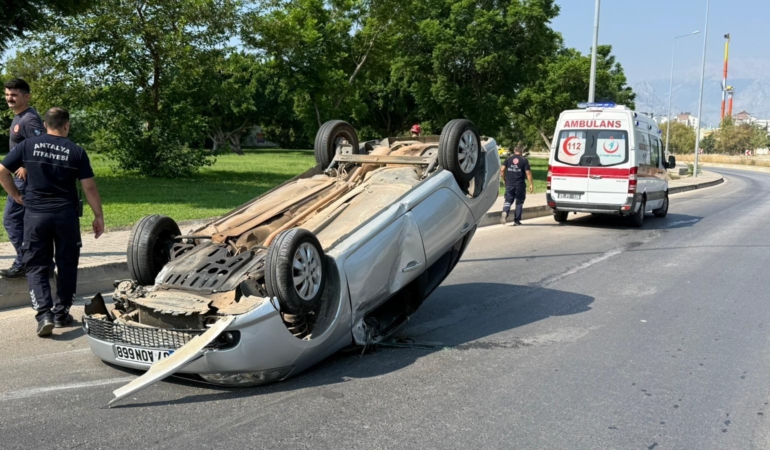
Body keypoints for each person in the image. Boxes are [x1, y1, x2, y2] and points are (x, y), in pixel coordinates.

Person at [0, 107, 104, 337]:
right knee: (67, 265)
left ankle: (43, 314)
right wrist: (99, 216)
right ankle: (61, 313)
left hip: (35, 216)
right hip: (66, 217)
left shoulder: (28, 146)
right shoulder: (76, 151)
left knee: (36, 265)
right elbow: (89, 187)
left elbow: (2, 171)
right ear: (66, 125)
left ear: (45, 124)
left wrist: (16, 196)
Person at [2, 78, 46, 278]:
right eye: (8, 94)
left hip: (26, 181)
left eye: (14, 95)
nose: (10, 98)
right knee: (26, 223)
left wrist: (27, 166)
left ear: (26, 97)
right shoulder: (19, 116)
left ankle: (25, 262)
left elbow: (41, 145)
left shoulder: (28, 119)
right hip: (22, 179)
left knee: (12, 220)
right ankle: (39, 262)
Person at [500, 145, 534, 226]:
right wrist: (531, 184)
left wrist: (504, 179)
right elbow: (528, 173)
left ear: (514, 151)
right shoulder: (524, 160)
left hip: (509, 184)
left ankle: (505, 211)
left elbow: (502, 170)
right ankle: (516, 220)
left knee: (508, 200)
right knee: (519, 202)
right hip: (520, 185)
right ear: (521, 151)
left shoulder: (508, 159)